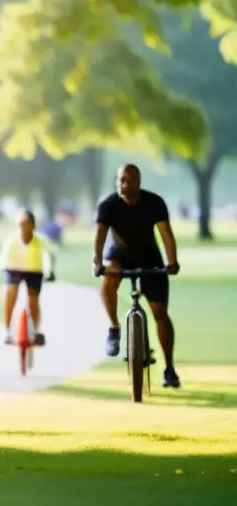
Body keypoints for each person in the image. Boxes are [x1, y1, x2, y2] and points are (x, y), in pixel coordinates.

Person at [93, 163, 181, 388]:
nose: (123, 184)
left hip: (149, 256)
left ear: (138, 183)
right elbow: (100, 236)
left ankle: (169, 368)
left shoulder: (154, 203)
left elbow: (166, 235)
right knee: (109, 276)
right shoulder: (108, 205)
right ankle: (114, 328)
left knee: (160, 314)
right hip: (119, 255)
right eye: (120, 179)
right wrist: (97, 262)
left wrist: (172, 262)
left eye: (128, 180)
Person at [0, 209, 56, 346]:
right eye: (20, 224)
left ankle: (35, 330)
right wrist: (4, 272)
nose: (23, 227)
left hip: (34, 270)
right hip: (13, 269)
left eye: (26, 224)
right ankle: (8, 330)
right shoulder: (12, 240)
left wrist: (51, 271)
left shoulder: (40, 240)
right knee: (10, 295)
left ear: (33, 225)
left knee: (33, 299)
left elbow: (51, 253)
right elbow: (3, 259)